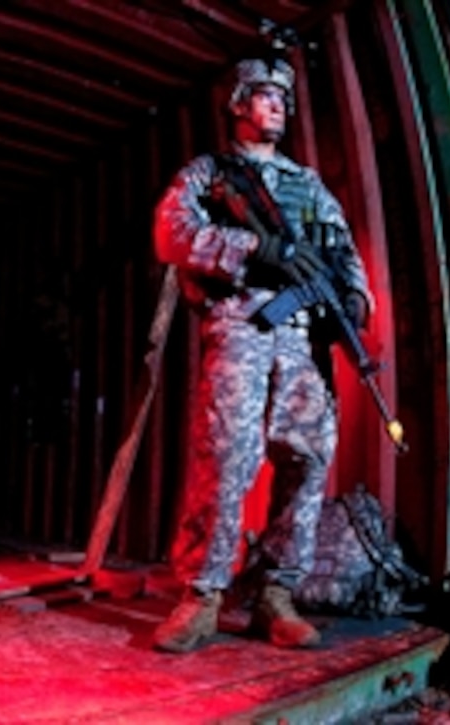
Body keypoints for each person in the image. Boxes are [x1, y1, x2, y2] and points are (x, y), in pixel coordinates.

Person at [151, 56, 374, 652]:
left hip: (304, 338)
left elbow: (344, 248)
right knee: (226, 458)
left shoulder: (309, 184)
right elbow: (171, 232)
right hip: (242, 325)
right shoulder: (209, 173)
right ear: (239, 104)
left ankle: (276, 594)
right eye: (264, 95)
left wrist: (354, 296)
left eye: (282, 97)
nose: (277, 105)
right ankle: (202, 595)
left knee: (306, 460)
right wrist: (254, 248)